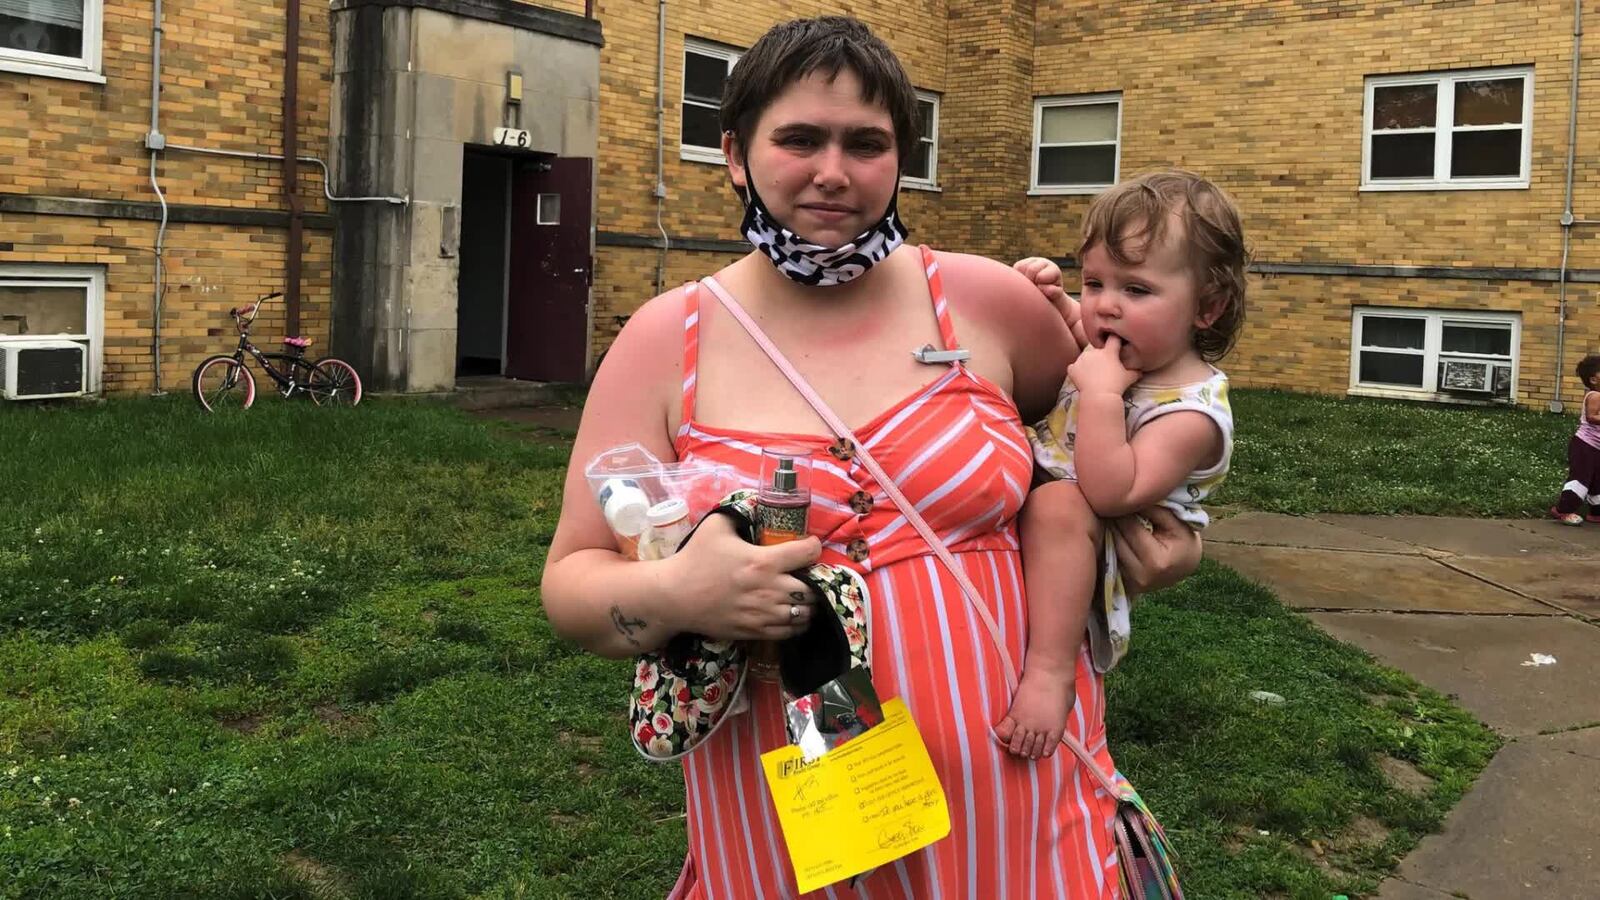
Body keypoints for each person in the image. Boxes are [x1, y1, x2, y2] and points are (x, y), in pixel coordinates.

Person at [540, 16, 1202, 897]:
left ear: (900, 158)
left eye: (867, 143)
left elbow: (1107, 435)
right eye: (800, 138)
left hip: (1018, 780)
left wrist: (1165, 537)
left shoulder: (986, 302)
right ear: (736, 153)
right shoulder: (669, 340)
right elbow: (571, 584)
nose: (833, 172)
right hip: (788, 805)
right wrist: (673, 591)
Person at [997, 172, 1246, 759]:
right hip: (1054, 512)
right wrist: (1054, 299)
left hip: (1096, 538)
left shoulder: (1191, 413)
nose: (1105, 305)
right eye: (1095, 282)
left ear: (1207, 307)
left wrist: (1103, 397)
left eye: (1136, 290)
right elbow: (1084, 333)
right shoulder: (1122, 346)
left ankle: (1051, 673)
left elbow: (1112, 491)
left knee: (1059, 503)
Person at [1550, 354, 1600, 525]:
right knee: (1581, 478)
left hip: (1596, 448)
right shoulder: (1594, 395)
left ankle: (1596, 513)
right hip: (1585, 445)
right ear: (1594, 379)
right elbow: (1592, 417)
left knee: (1598, 480)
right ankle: (1563, 510)